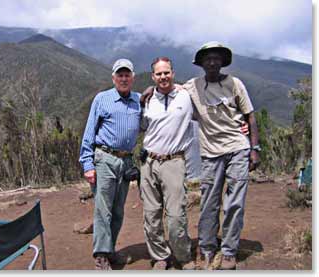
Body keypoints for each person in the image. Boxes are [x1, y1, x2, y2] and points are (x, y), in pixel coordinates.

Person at [141, 41, 260, 270]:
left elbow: (250, 116)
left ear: (222, 62)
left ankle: (228, 251)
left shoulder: (235, 84)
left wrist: (255, 149)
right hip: (210, 153)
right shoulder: (192, 87)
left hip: (237, 147)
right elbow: (167, 88)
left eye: (216, 58)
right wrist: (149, 90)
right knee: (208, 203)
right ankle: (206, 247)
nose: (212, 62)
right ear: (202, 64)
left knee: (234, 203)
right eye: (208, 59)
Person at [79, 58, 140, 270]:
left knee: (118, 210)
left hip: (126, 161)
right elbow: (89, 132)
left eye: (127, 75)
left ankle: (110, 249)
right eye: (119, 75)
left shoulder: (139, 101)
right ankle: (101, 256)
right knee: (103, 210)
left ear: (132, 78)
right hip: (104, 158)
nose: (123, 79)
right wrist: (87, 164)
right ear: (113, 78)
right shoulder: (102, 99)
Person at [140, 57, 196, 270]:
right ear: (153, 76)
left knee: (175, 215)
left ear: (173, 73)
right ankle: (160, 256)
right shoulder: (146, 99)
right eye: (158, 74)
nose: (163, 77)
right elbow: (142, 125)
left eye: (166, 72)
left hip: (174, 162)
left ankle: (183, 256)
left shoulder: (186, 95)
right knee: (151, 214)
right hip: (149, 162)